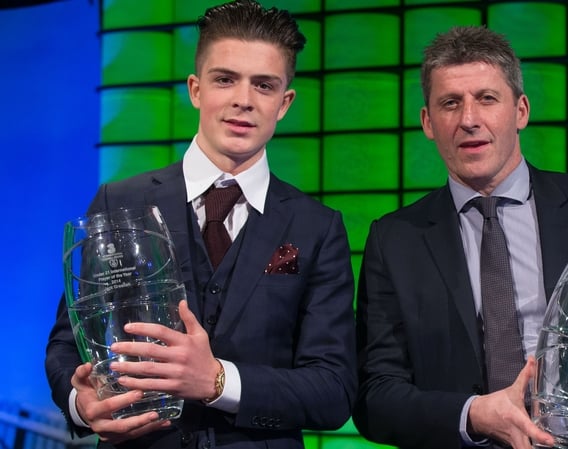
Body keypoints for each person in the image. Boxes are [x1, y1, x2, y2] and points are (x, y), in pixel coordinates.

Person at [352, 26, 568, 449]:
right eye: (450, 103)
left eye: (486, 98)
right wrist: (473, 416)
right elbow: (376, 394)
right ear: (428, 122)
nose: (469, 119)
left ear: (520, 110)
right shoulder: (395, 240)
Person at [45, 1, 356, 448]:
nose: (243, 100)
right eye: (225, 79)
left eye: (263, 85)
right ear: (195, 89)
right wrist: (82, 404)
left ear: (284, 103)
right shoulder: (119, 201)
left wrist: (217, 380)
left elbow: (334, 390)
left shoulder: (317, 227)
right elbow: (65, 346)